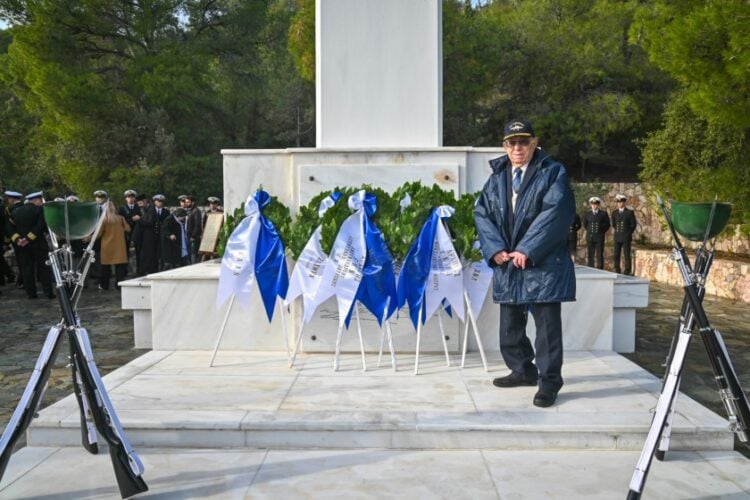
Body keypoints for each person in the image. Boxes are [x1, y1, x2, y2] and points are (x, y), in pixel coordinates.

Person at [474, 118, 576, 408]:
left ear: (534, 143)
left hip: (540, 262)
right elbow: (482, 213)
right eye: (511, 143)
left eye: (523, 142)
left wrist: (527, 248)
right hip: (508, 262)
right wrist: (494, 249)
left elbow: (557, 211)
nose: (517, 147)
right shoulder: (497, 177)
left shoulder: (553, 171)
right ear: (505, 147)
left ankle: (549, 383)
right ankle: (522, 370)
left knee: (546, 329)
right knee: (510, 326)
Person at [8, 191, 54, 299]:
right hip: (38, 244)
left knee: (27, 269)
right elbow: (40, 225)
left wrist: (18, 239)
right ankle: (48, 292)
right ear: (35, 200)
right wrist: (28, 238)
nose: (41, 203)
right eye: (40, 200)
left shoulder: (15, 211)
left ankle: (31, 293)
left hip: (22, 246)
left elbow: (9, 228)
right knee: (44, 268)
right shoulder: (39, 210)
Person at [97, 201, 130, 290]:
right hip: (119, 246)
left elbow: (99, 234)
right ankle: (119, 285)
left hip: (107, 246)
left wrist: (89, 237)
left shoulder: (104, 219)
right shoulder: (121, 218)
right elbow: (128, 228)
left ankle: (105, 285)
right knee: (119, 268)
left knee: (105, 267)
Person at [611, 193, 637, 275]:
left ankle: (627, 270)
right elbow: (614, 224)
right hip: (617, 236)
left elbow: (633, 224)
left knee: (626, 253)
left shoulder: (629, 212)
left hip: (626, 236)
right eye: (618, 202)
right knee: (616, 254)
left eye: (621, 202)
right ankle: (617, 269)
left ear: (624, 203)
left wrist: (628, 233)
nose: (620, 204)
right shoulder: (614, 213)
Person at [584, 196, 610, 269]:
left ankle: (600, 268)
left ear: (598, 205)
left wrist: (601, 231)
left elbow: (607, 224)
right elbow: (585, 224)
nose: (594, 206)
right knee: (590, 254)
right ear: (591, 205)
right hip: (590, 237)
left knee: (599, 254)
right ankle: (590, 268)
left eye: (596, 204)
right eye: (593, 204)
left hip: (599, 237)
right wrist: (590, 231)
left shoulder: (603, 214)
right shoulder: (588, 214)